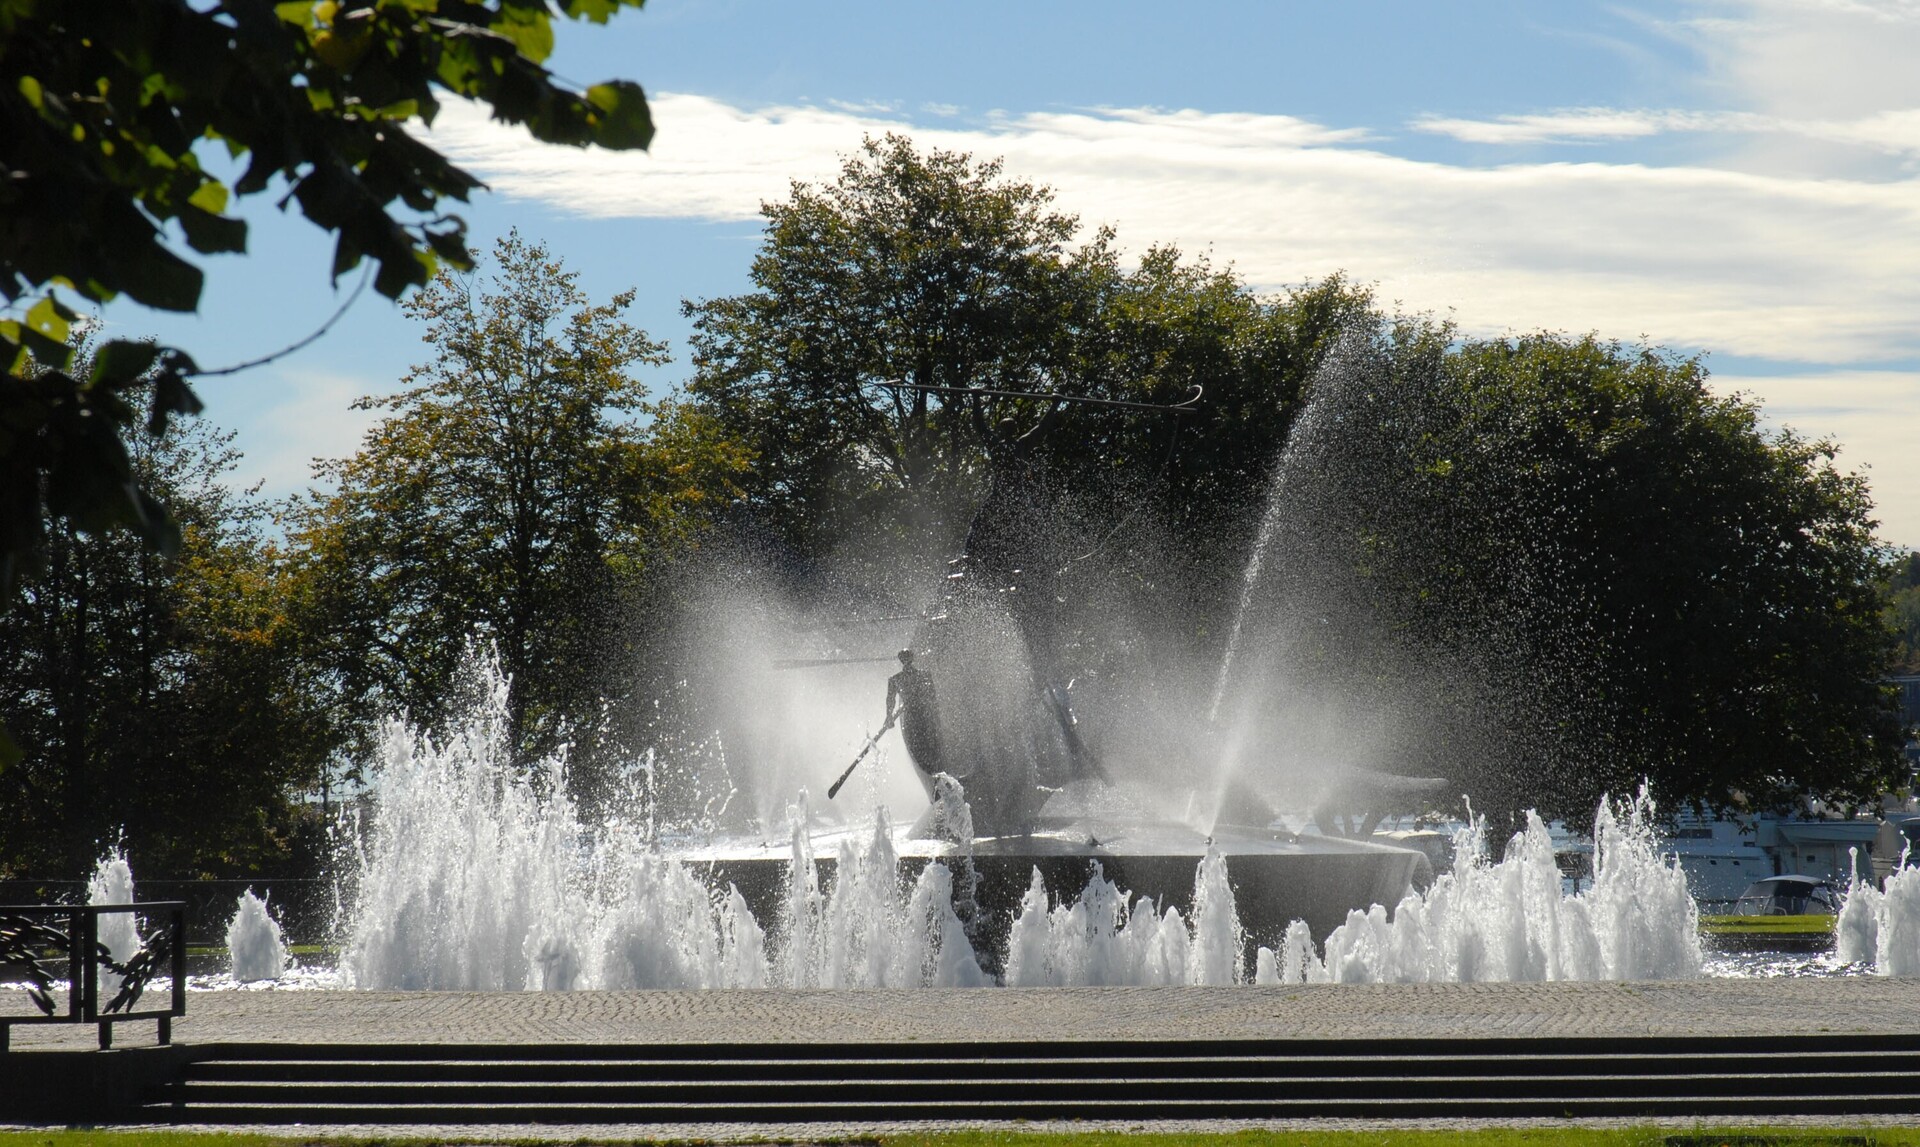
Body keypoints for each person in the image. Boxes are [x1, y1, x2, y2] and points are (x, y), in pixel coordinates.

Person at [885, 649, 947, 792]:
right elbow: (932, 698)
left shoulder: (897, 679)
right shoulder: (921, 675)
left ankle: (936, 776)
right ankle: (935, 775)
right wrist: (888, 716)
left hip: (917, 717)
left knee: (924, 745)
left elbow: (890, 700)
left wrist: (889, 716)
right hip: (918, 716)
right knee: (924, 745)